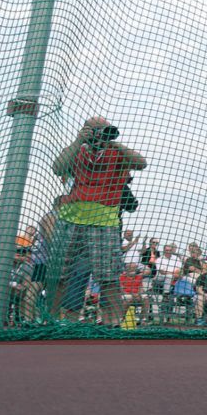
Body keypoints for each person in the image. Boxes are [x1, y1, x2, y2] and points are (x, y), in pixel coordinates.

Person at [51, 116, 147, 327]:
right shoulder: (77, 151)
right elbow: (58, 167)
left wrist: (112, 142)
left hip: (104, 221)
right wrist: (79, 141)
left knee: (108, 275)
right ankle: (50, 319)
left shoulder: (116, 153)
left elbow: (142, 163)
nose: (99, 134)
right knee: (61, 274)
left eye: (104, 129)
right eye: (94, 130)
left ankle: (113, 322)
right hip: (70, 218)